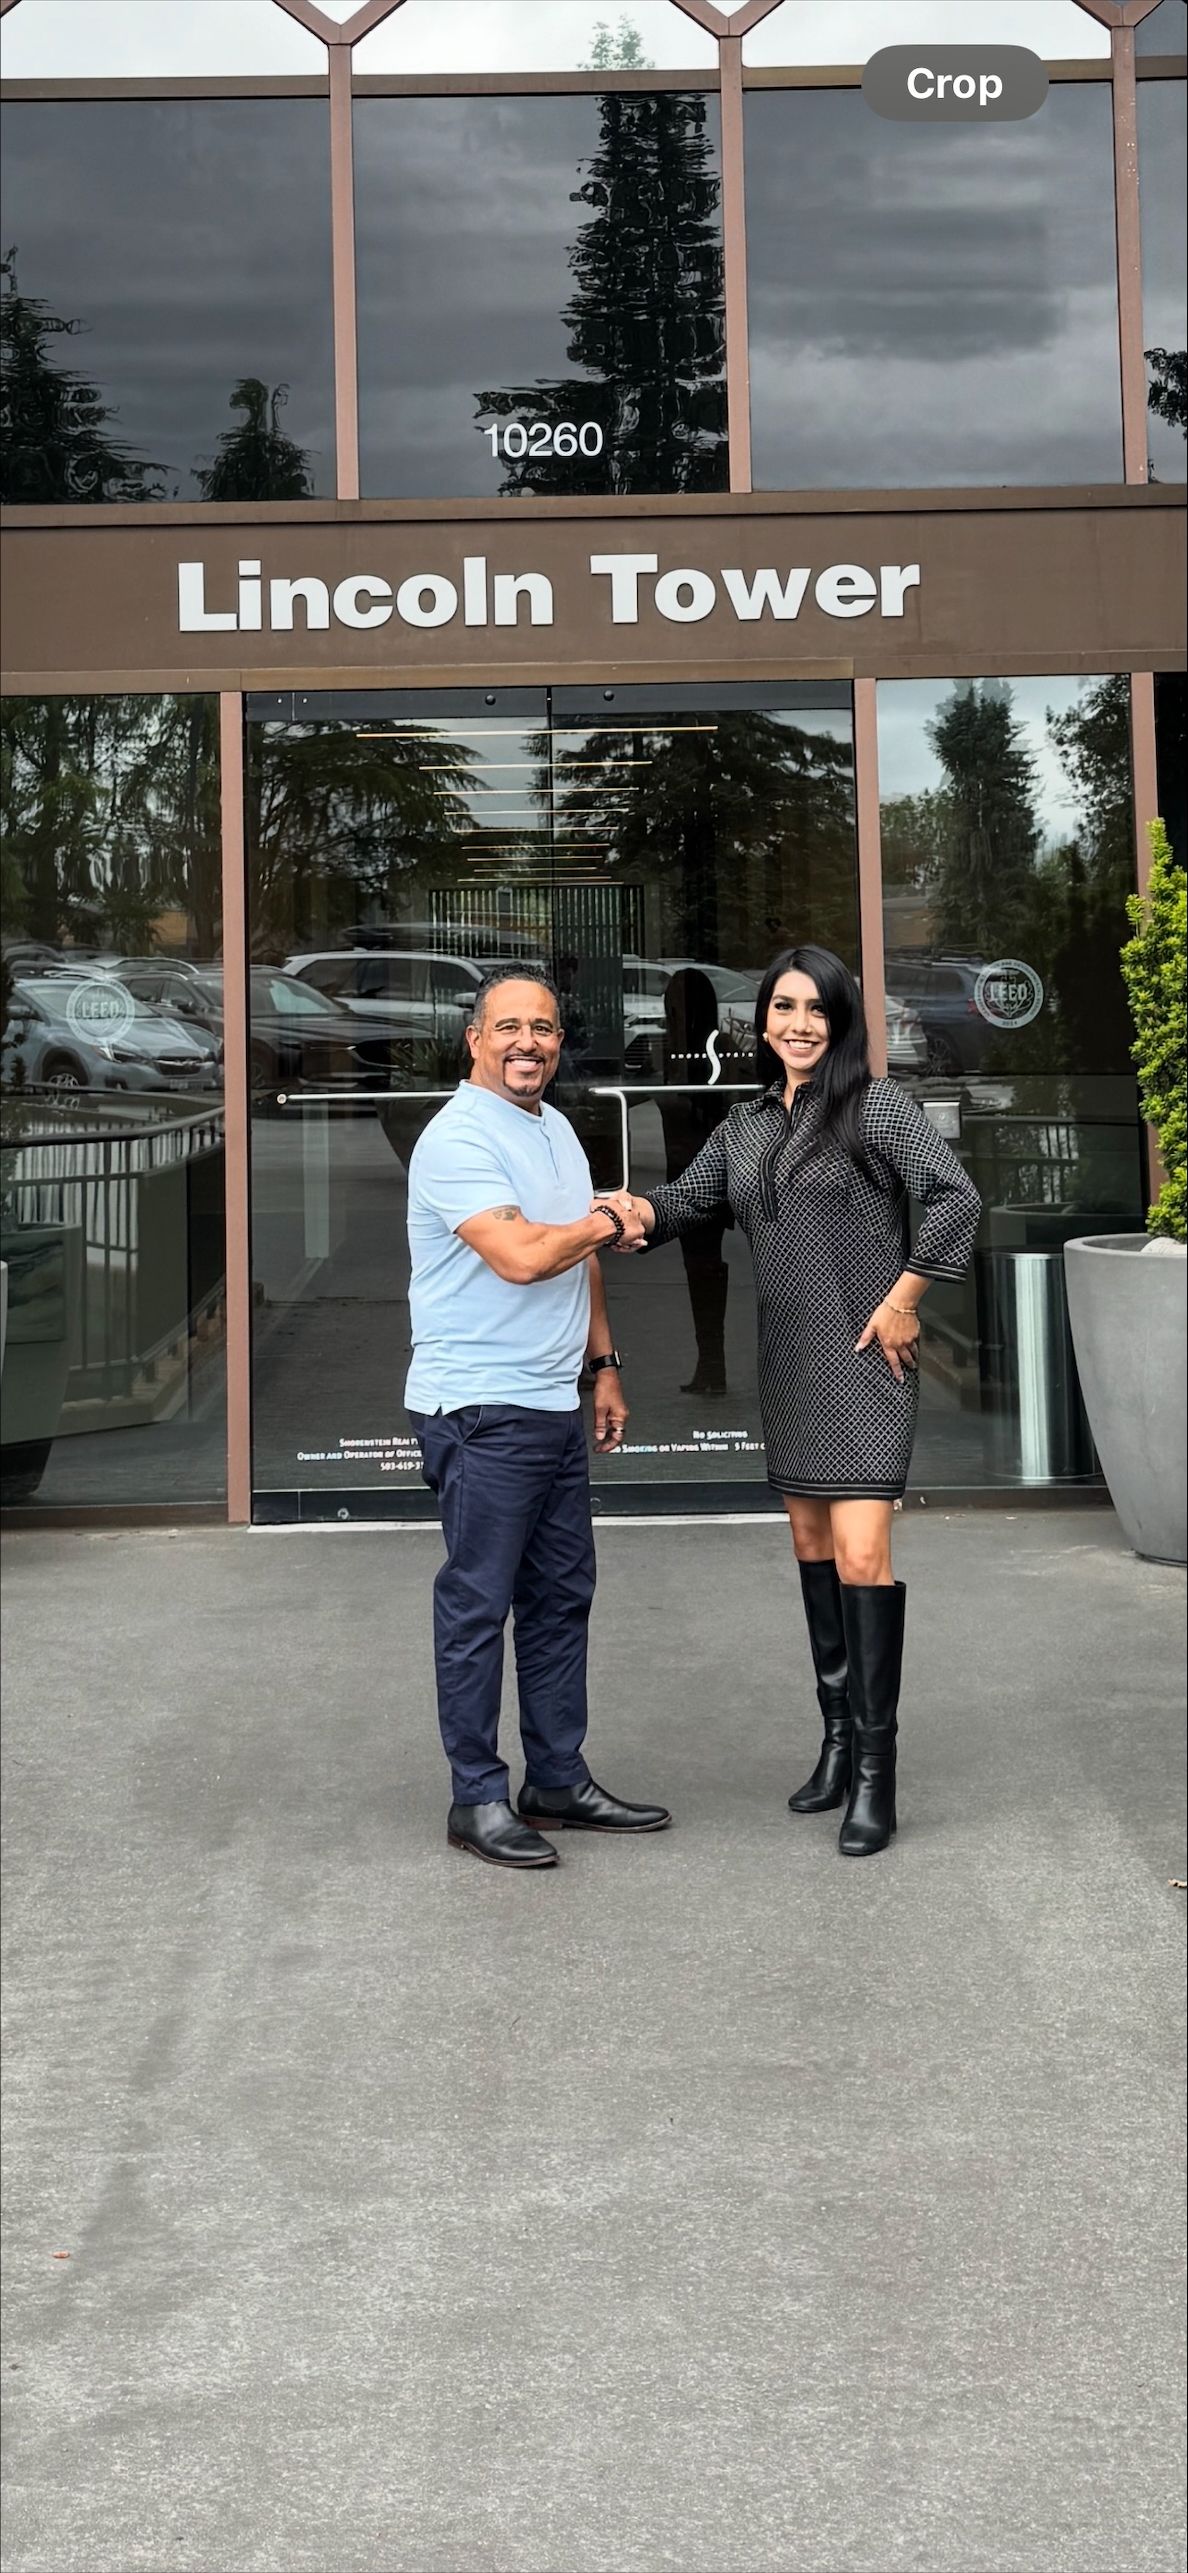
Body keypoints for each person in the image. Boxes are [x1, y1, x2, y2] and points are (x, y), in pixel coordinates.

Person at [599, 946, 980, 1858]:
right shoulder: (747, 1127)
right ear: (761, 1020)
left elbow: (954, 1199)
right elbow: (686, 1202)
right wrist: (613, 1217)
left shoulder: (876, 1106)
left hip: (865, 1361)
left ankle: (878, 1775)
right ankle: (837, 1743)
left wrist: (901, 1299)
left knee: (861, 1554)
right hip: (793, 1364)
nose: (799, 1023)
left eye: (816, 1008)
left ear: (841, 1020)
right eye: (783, 1007)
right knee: (814, 1550)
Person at [404, 967, 673, 1869]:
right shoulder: (455, 1139)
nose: (530, 1042)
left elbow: (578, 1257)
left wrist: (603, 1366)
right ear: (473, 1038)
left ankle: (555, 1776)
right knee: (479, 1602)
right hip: (480, 1408)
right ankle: (475, 1796)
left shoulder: (554, 1126)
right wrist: (614, 1217)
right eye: (510, 1026)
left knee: (561, 1597)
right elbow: (524, 1256)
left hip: (553, 1400)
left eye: (546, 1027)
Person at [656, 967, 733, 1398]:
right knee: (701, 1271)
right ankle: (711, 1362)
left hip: (711, 1176)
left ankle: (714, 1363)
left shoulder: (718, 1048)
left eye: (678, 1004)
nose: (672, 1012)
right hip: (684, 1177)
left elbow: (722, 1111)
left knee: (705, 1270)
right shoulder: (671, 1050)